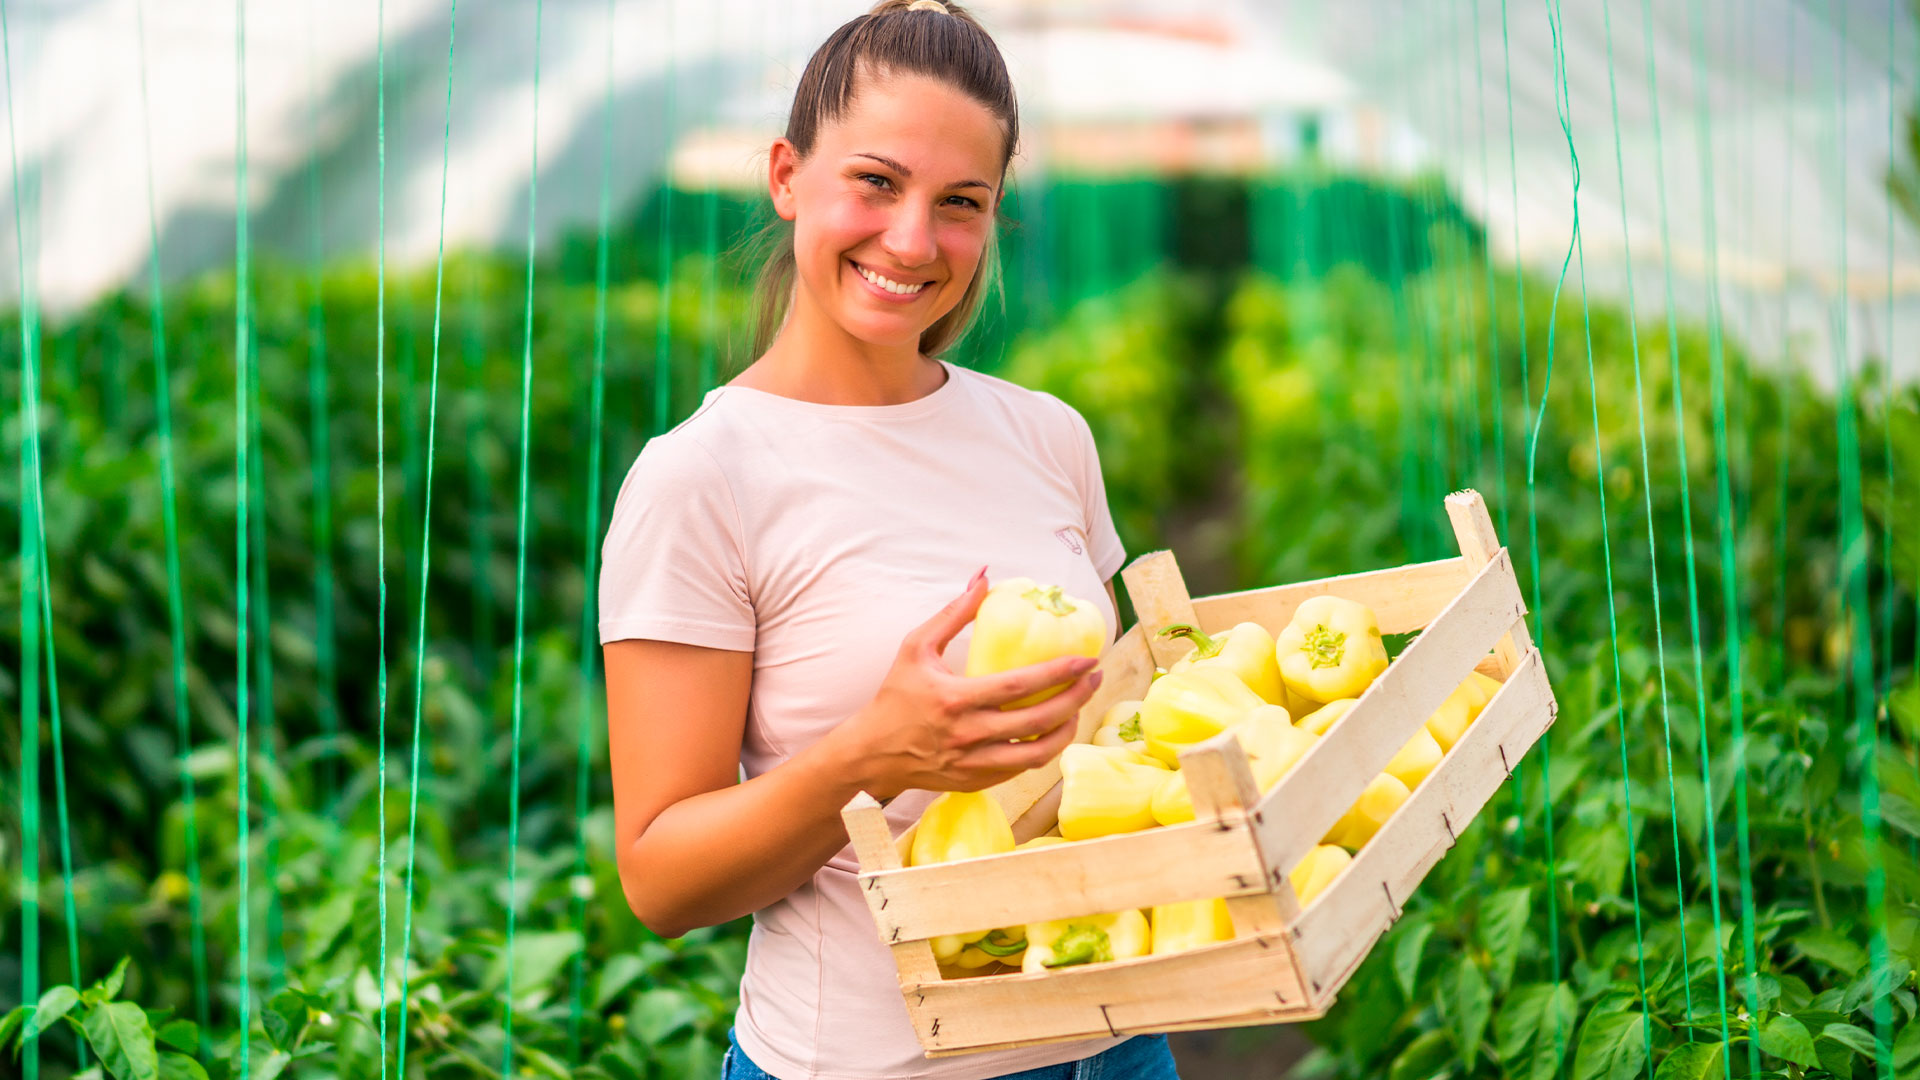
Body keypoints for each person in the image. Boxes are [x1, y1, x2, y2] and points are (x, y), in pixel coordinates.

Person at [598, 1, 1182, 1077]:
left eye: (960, 203)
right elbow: (661, 882)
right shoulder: (702, 477)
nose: (912, 240)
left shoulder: (1046, 436)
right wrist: (874, 754)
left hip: (1116, 1038)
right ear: (785, 175)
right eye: (876, 181)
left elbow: (1115, 736)